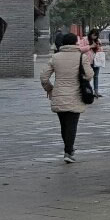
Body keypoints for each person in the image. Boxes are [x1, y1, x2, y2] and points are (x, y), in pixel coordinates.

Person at [42, 31, 95, 163]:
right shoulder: (81, 57)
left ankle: (68, 149)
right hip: (75, 94)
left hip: (59, 94)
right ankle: (68, 151)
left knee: (64, 125)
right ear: (75, 43)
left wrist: (50, 89)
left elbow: (44, 77)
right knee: (72, 124)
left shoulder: (55, 57)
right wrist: (81, 79)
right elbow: (89, 75)